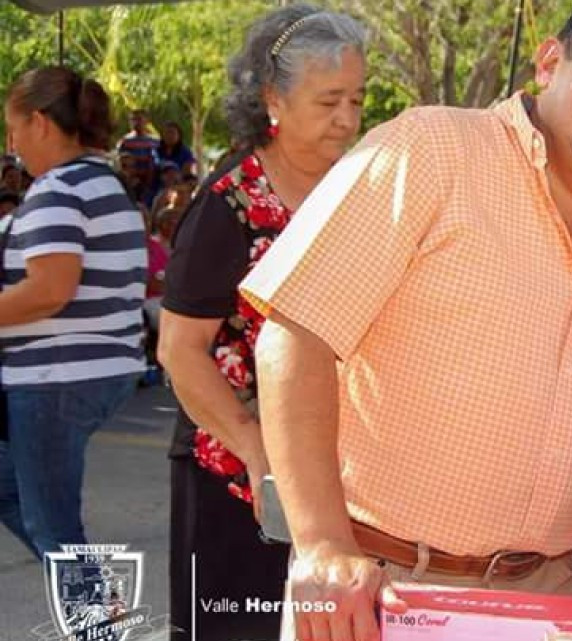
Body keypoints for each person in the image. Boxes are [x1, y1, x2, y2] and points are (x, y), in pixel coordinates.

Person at [238, 1, 572, 639]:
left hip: (551, 599)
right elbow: (295, 338)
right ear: (549, 62)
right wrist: (319, 544)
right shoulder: (431, 150)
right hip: (378, 591)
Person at [156, 6, 368, 640]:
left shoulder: (357, 191)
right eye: (329, 100)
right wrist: (253, 444)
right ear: (273, 98)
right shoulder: (230, 204)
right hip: (235, 480)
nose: (348, 118)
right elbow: (179, 349)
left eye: (356, 99)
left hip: (336, 477)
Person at [0, 66, 146, 558]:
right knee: (23, 501)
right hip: (95, 370)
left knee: (54, 528)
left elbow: (49, 289)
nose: (12, 144)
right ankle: (97, 612)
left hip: (55, 377)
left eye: (14, 129)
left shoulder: (55, 191)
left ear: (40, 122)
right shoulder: (105, 185)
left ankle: (97, 627)